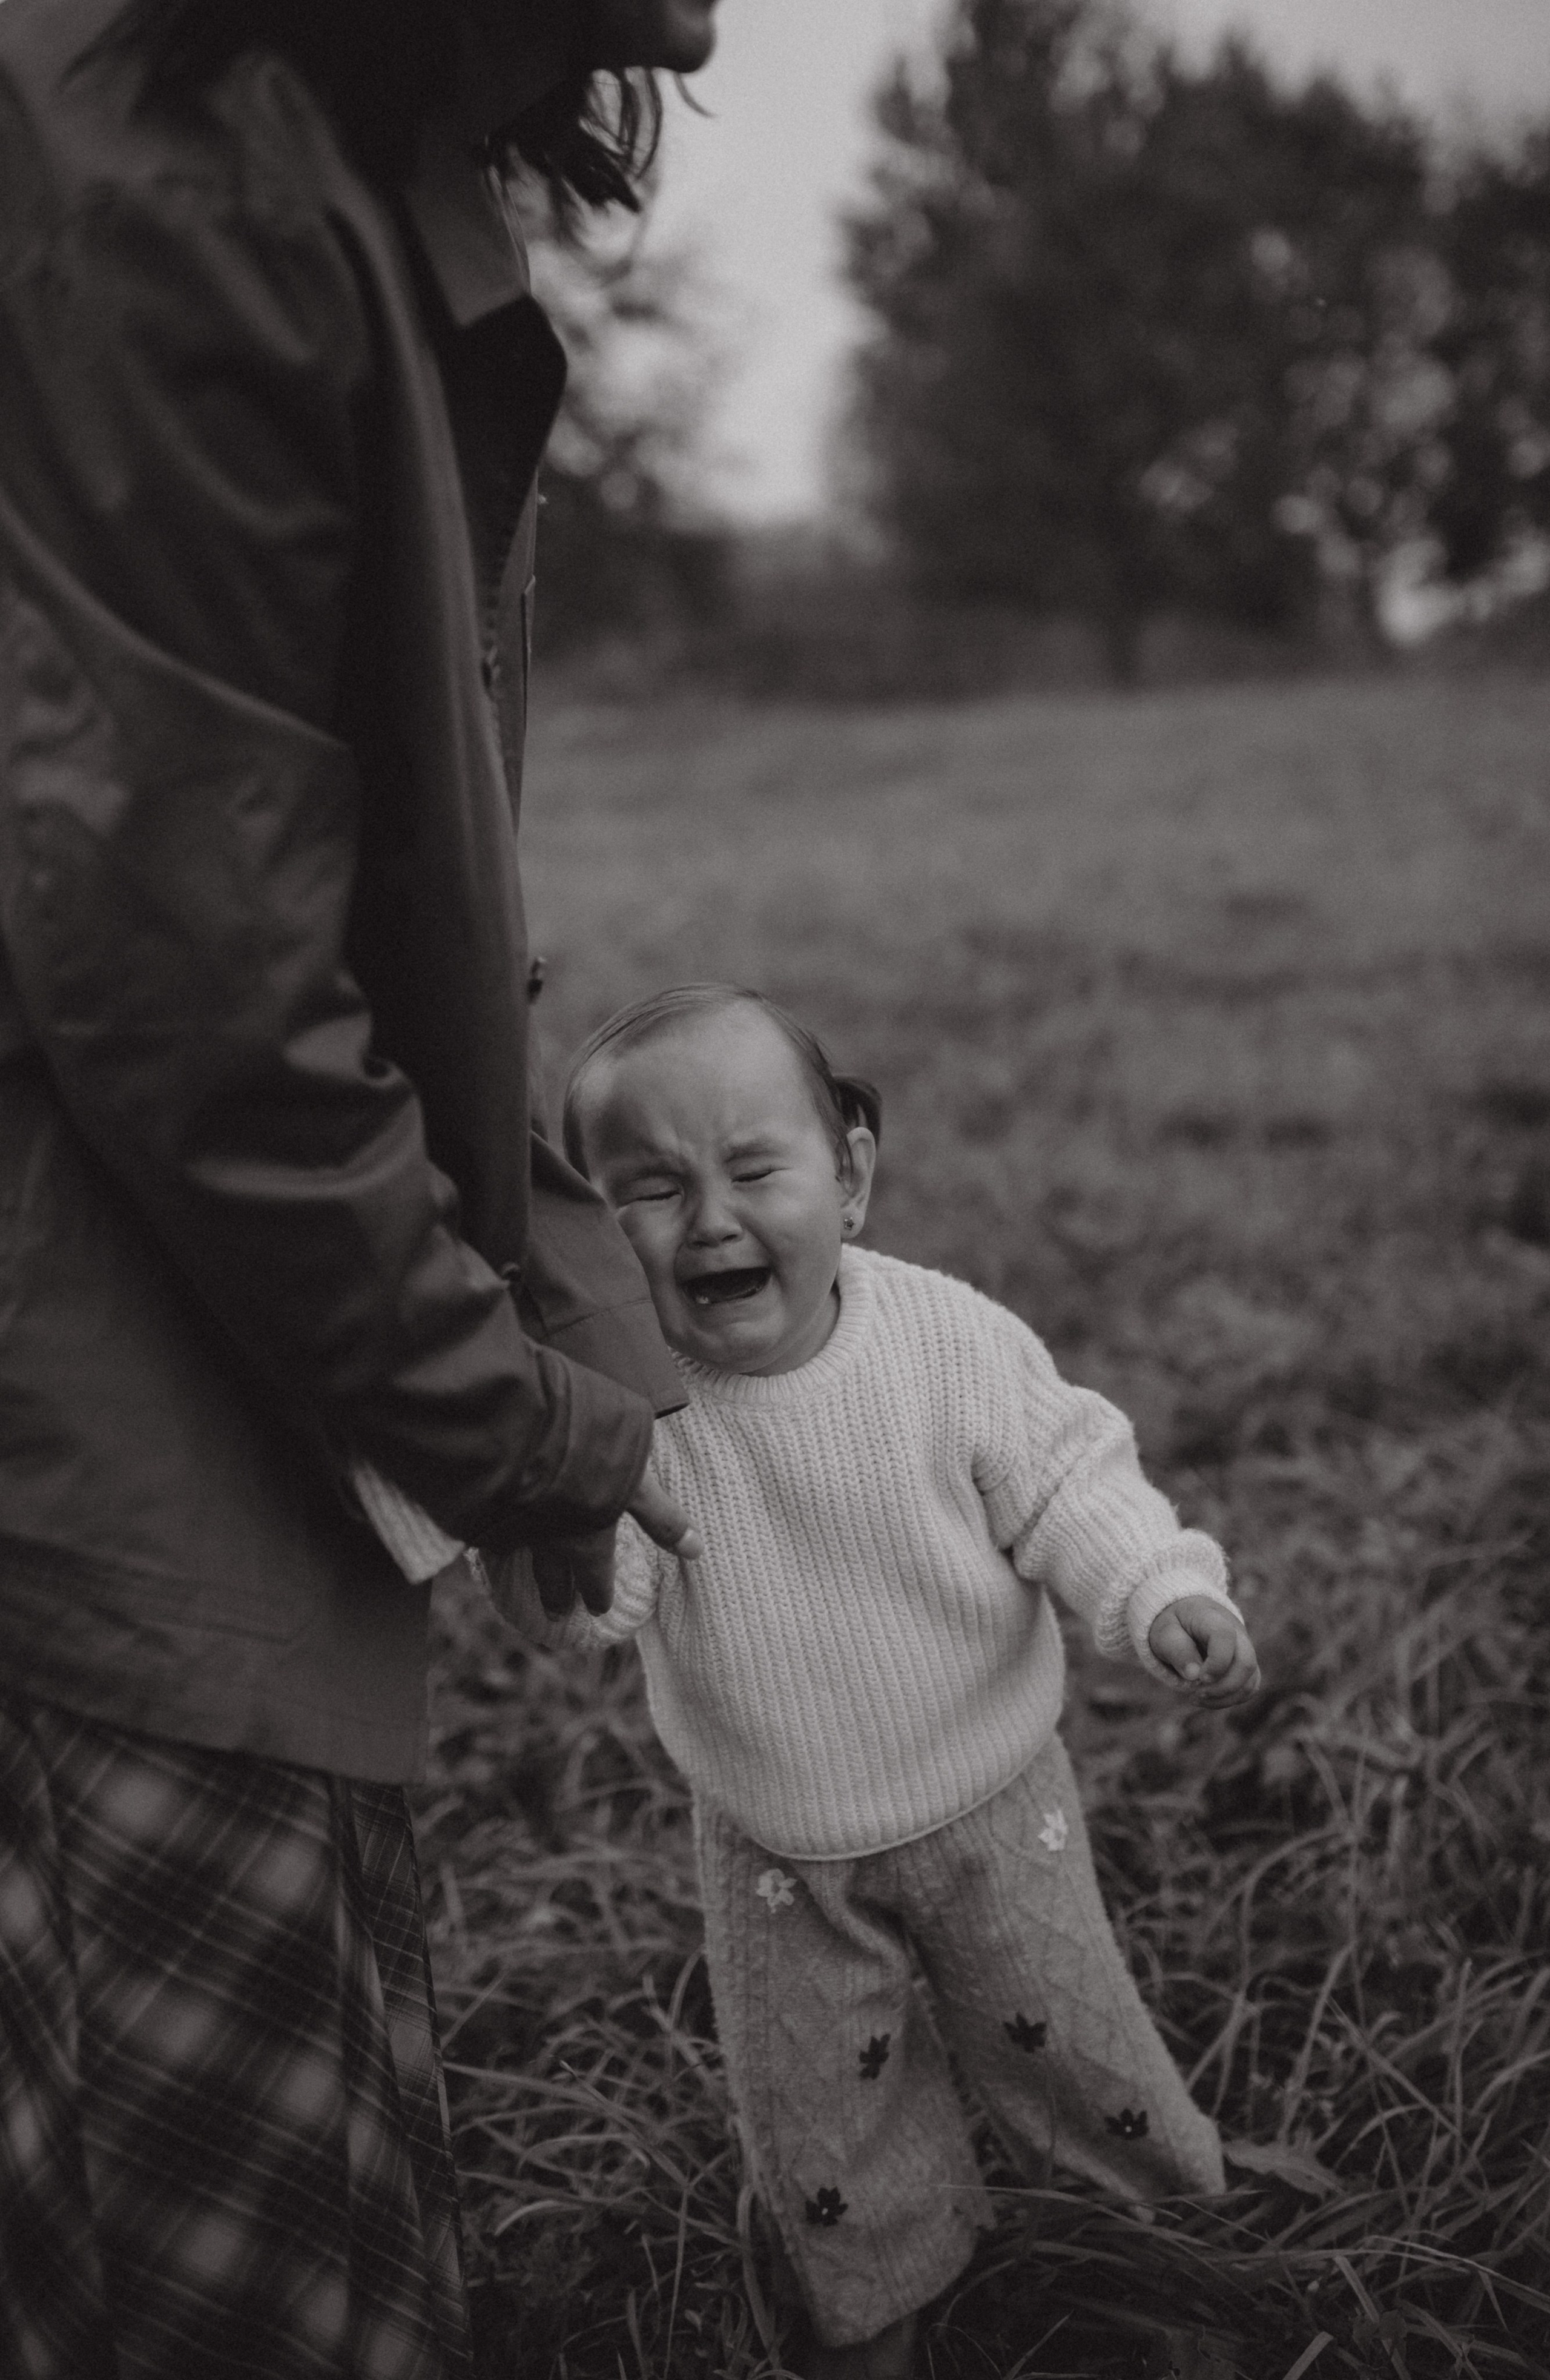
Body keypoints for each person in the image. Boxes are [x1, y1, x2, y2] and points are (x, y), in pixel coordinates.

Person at [0, 4, 714, 2375]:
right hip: (90, 1450)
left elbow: (383, 887)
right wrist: (523, 1424)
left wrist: (579, 1332)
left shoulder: (367, 173)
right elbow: (188, 971)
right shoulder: (166, 171)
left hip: (189, 1375)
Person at [513, 982, 1262, 2380]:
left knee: (1077, 2053)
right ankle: (876, 2315)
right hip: (774, 1845)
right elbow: (596, 1606)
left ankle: (1167, 2246)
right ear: (589, 1238)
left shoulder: (943, 1343)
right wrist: (540, 1503)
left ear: (848, 1177)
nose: (711, 1220)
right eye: (651, 1191)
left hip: (992, 1802)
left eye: (754, 1168)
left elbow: (1066, 1480)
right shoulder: (629, 1404)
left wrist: (1157, 1589)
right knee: (821, 2121)